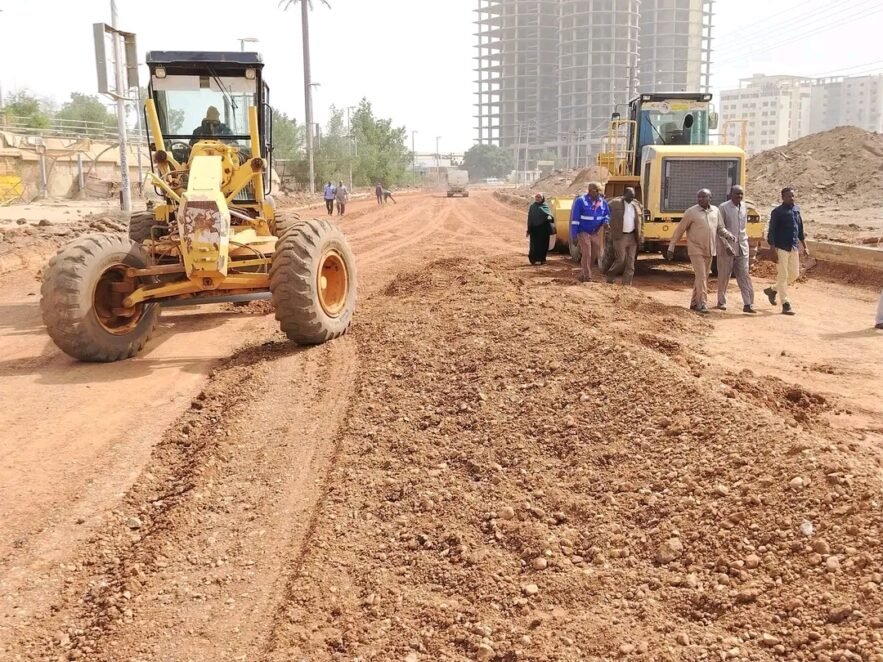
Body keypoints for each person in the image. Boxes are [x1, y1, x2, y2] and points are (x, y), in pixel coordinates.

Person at [667, 189, 735, 314]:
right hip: (695, 249)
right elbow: (679, 230)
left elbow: (720, 228)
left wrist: (729, 236)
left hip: (710, 249)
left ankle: (694, 303)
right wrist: (671, 247)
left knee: (702, 277)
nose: (700, 199)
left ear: (710, 198)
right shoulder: (691, 212)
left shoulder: (715, 211)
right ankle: (702, 303)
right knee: (702, 276)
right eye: (699, 197)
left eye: (704, 197)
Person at [764, 187, 809, 316]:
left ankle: (772, 289)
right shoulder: (777, 212)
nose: (792, 198)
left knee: (794, 274)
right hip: (781, 248)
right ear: (783, 198)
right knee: (783, 275)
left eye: (793, 196)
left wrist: (805, 246)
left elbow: (800, 229)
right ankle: (785, 303)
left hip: (793, 247)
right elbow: (771, 231)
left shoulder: (796, 210)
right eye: (789, 196)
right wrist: (772, 249)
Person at [716, 185, 756, 313]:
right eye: (736, 194)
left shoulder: (744, 207)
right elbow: (719, 229)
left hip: (742, 246)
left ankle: (748, 304)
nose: (739, 196)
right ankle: (721, 301)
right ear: (730, 194)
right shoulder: (723, 207)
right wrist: (726, 246)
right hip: (726, 247)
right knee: (724, 275)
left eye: (741, 194)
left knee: (744, 274)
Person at [570, 181, 609, 282]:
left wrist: (606, 221)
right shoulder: (581, 201)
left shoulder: (602, 202)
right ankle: (588, 277)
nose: (600, 195)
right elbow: (575, 220)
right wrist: (574, 235)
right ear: (591, 191)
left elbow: (607, 214)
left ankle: (584, 274)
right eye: (598, 192)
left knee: (594, 254)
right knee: (587, 253)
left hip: (594, 232)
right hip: (583, 231)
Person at [606, 187, 642, 285]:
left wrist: (640, 235)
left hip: (633, 237)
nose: (632, 198)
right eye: (630, 196)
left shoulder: (636, 205)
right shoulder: (614, 203)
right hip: (620, 236)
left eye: (633, 196)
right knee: (620, 260)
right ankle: (610, 276)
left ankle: (627, 284)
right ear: (624, 194)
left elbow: (640, 222)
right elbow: (605, 209)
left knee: (631, 262)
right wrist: (607, 224)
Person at [526, 192, 554, 265]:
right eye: (537, 197)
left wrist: (549, 217)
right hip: (535, 230)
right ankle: (534, 260)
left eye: (539, 197)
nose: (538, 199)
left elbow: (550, 215)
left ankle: (542, 259)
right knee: (534, 245)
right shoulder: (532, 207)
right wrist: (529, 229)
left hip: (544, 229)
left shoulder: (545, 206)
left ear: (542, 198)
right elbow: (530, 218)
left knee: (544, 245)